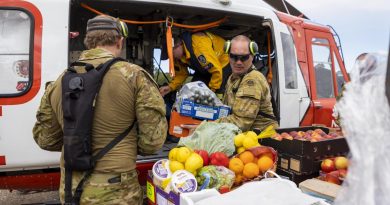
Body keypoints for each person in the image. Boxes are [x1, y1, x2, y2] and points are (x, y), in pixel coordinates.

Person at [32, 15, 167, 205]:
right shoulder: (135, 77)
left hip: (72, 189)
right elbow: (152, 142)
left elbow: (45, 139)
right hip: (117, 191)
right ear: (120, 41)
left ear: (88, 41)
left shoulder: (60, 82)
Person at [214, 35, 278, 132]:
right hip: (244, 136)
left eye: (244, 58)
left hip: (262, 140)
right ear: (228, 56)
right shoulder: (233, 77)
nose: (238, 62)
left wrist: (207, 126)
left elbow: (240, 123)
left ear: (252, 56)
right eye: (234, 57)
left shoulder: (252, 79)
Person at [159, 31, 230, 97]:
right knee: (193, 93)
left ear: (178, 45)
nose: (171, 57)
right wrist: (170, 87)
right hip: (205, 69)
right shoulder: (178, 57)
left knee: (217, 96)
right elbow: (181, 74)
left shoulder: (199, 46)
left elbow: (216, 70)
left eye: (171, 54)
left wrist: (211, 91)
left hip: (222, 64)